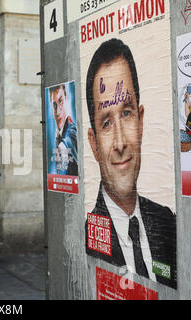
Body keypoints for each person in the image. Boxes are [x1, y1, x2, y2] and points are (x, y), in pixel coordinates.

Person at [85, 38, 176, 289]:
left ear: (141, 121)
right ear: (93, 144)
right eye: (106, 122)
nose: (120, 142)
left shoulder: (169, 222)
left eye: (126, 113)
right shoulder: (84, 239)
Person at [49, 84, 78, 176]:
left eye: (60, 101)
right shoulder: (58, 134)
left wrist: (63, 145)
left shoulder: (71, 131)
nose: (57, 112)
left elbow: (71, 136)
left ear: (66, 99)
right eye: (54, 105)